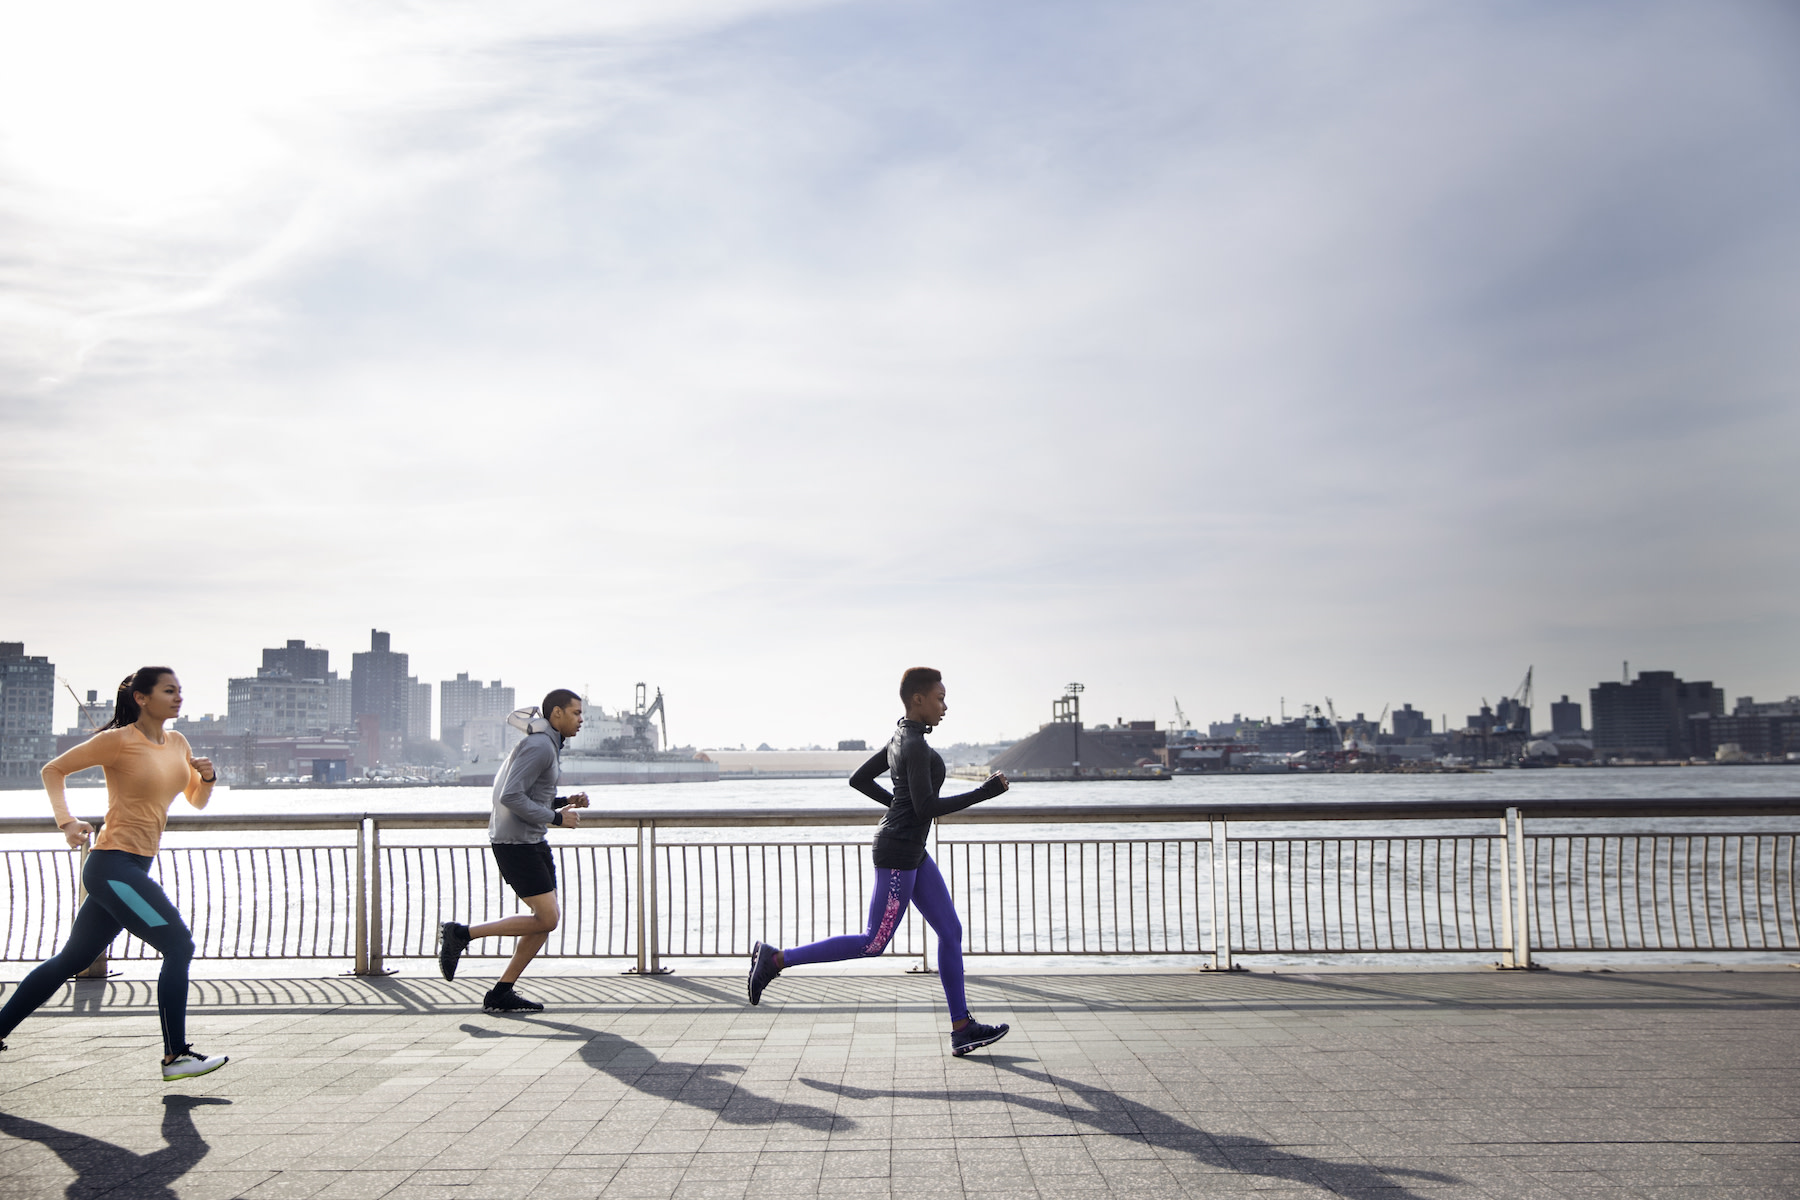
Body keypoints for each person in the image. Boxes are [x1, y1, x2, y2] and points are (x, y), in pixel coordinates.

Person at [747, 667, 1012, 1056]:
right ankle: (775, 959)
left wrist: (899, 807)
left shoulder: (901, 737)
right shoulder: (914, 745)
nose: (945, 706)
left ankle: (962, 1027)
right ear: (917, 700)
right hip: (898, 856)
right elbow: (925, 808)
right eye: (939, 698)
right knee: (874, 942)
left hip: (912, 851)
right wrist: (983, 792)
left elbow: (860, 780)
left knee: (950, 931)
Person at [0, 668, 227, 1081]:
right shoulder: (117, 741)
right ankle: (176, 1056)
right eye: (168, 691)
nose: (178, 698)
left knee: (73, 958)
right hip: (112, 866)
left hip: (135, 864)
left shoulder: (178, 743)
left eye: (180, 691)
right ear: (142, 697)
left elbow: (196, 800)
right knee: (179, 945)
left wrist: (208, 777)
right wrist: (67, 822)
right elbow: (53, 770)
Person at [438, 689, 589, 1012]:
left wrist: (563, 802)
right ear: (557, 714)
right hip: (515, 843)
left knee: (544, 921)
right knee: (547, 918)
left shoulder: (546, 744)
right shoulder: (539, 746)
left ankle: (502, 992)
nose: (581, 720)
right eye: (576, 713)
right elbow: (510, 797)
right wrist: (556, 818)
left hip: (531, 840)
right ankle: (461, 934)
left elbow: (530, 795)